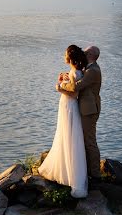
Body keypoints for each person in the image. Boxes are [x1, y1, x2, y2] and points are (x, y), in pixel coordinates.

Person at [37, 45, 88, 198]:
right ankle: (68, 172)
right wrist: (66, 79)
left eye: (65, 55)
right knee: (67, 137)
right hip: (68, 106)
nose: (63, 57)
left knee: (67, 136)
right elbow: (73, 84)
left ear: (70, 58)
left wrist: (59, 87)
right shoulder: (76, 72)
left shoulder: (75, 73)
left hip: (69, 106)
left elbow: (73, 94)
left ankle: (68, 175)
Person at [62, 45, 102, 182]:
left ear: (90, 54)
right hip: (86, 107)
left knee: (90, 141)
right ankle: (88, 170)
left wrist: (60, 86)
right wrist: (70, 75)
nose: (82, 53)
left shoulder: (93, 71)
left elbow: (76, 87)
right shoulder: (89, 69)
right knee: (85, 139)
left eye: (85, 52)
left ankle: (96, 174)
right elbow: (78, 80)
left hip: (89, 109)